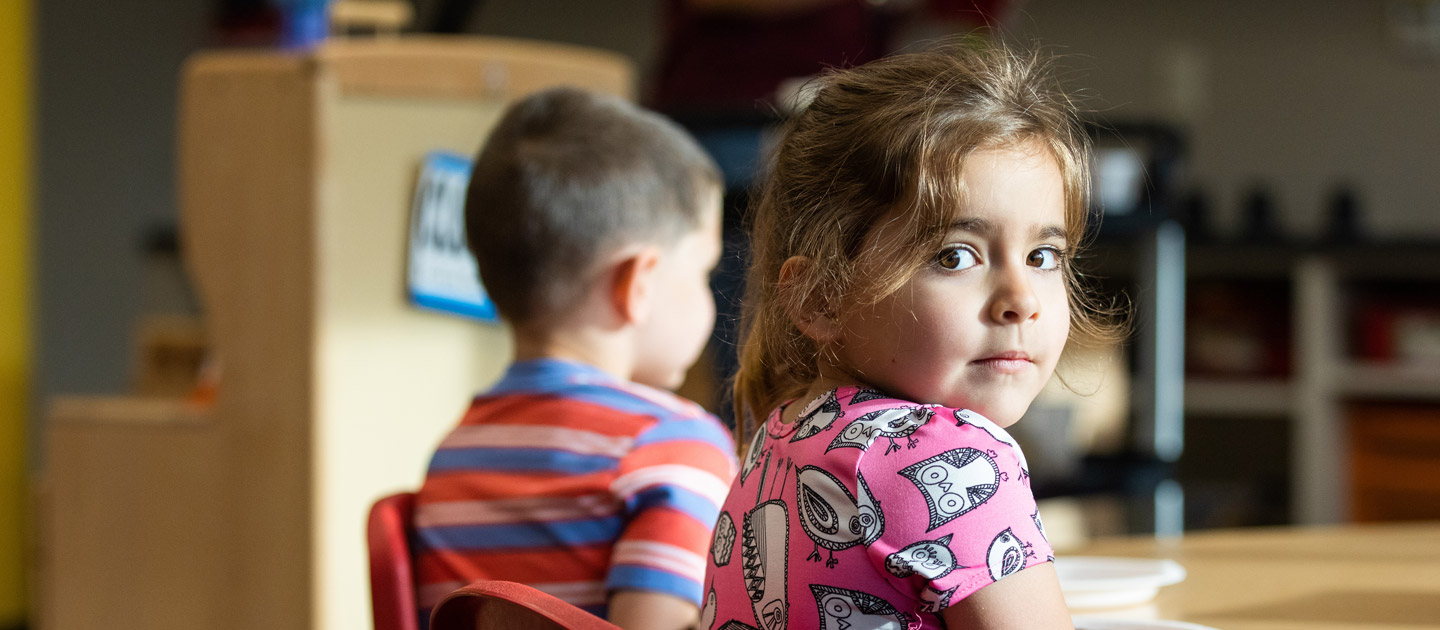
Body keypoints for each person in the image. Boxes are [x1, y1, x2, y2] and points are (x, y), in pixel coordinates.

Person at [700, 42, 1123, 629]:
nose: (1021, 301)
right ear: (821, 295)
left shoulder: (777, 441)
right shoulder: (950, 455)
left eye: (1043, 255)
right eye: (955, 256)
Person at [413, 87, 738, 630]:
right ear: (637, 283)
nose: (710, 298)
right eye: (703, 272)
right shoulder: (676, 444)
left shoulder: (454, 452)